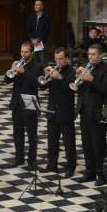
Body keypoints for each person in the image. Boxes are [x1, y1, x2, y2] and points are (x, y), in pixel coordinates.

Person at [38, 48, 77, 176]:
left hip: (66, 111)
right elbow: (42, 86)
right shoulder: (54, 71)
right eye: (56, 59)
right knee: (52, 140)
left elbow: (71, 90)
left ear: (67, 59)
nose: (58, 61)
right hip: (52, 110)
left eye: (60, 59)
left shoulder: (72, 72)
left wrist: (60, 78)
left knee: (69, 142)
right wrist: (46, 75)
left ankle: (70, 167)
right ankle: (51, 165)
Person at [4, 41, 42, 170]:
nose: (23, 54)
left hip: (30, 103)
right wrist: (11, 69)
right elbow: (7, 80)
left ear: (31, 52)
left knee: (32, 135)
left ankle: (32, 161)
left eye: (26, 52)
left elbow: (36, 84)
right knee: (17, 133)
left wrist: (23, 72)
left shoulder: (37, 66)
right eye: (22, 51)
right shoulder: (17, 64)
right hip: (17, 104)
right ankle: (19, 158)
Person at [77, 44, 107, 185]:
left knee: (98, 145)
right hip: (84, 109)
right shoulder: (86, 66)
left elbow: (106, 90)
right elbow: (80, 89)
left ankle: (101, 175)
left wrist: (91, 80)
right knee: (87, 144)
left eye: (93, 54)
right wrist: (78, 77)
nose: (90, 57)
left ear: (101, 55)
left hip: (97, 111)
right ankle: (90, 172)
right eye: (89, 54)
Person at [26, 0, 50, 66]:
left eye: (38, 4)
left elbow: (46, 31)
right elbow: (29, 30)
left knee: (43, 61)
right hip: (33, 43)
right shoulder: (31, 17)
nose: (36, 6)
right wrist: (32, 39)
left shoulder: (46, 17)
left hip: (43, 42)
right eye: (35, 5)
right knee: (35, 61)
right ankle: (36, 75)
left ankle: (44, 76)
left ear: (42, 6)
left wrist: (38, 39)